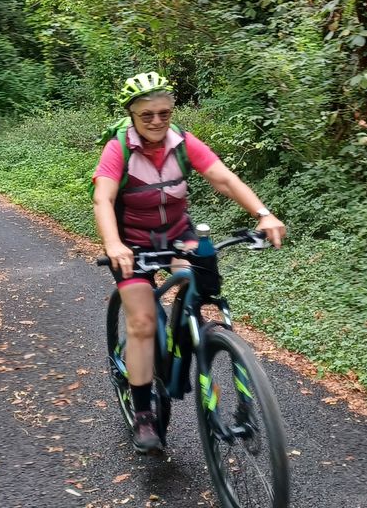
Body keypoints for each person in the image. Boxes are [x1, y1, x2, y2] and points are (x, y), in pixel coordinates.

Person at [92, 72, 286, 453]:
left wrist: (263, 213)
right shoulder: (119, 149)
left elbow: (224, 179)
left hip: (178, 237)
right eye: (146, 115)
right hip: (133, 244)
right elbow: (103, 199)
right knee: (144, 321)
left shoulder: (182, 141)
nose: (156, 121)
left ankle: (191, 342)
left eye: (164, 112)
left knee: (198, 285)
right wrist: (114, 243)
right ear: (132, 114)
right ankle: (145, 410)